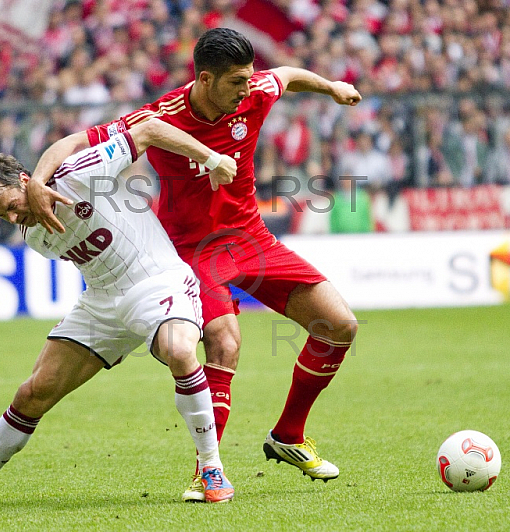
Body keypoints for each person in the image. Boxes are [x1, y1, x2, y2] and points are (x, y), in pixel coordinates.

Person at [26, 28, 361, 501]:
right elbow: (73, 142)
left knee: (339, 325)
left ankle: (288, 435)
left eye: (249, 80)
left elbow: (285, 74)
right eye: (236, 83)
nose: (247, 90)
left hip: (251, 238)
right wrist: (39, 181)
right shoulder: (160, 117)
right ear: (205, 79)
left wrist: (332, 87)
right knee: (225, 341)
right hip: (190, 250)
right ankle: (209, 472)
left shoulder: (255, 93)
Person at [0, 117, 238, 506]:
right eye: (2, 217)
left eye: (12, 207)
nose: (13, 220)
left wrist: (212, 158)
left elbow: (149, 129)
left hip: (157, 281)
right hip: (102, 301)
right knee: (33, 392)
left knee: (180, 351)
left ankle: (211, 469)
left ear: (25, 180)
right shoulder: (34, 235)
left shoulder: (78, 174)